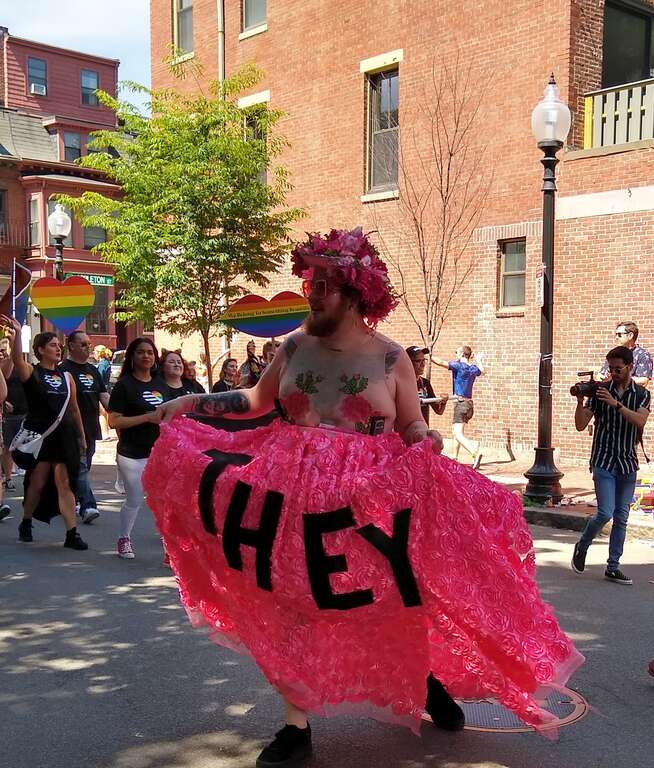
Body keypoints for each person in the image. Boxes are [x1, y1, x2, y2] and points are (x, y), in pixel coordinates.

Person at [151, 228, 582, 765]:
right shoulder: (293, 347)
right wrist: (191, 403)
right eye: (311, 283)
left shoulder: (390, 358)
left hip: (372, 502)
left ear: (356, 293)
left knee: (397, 595)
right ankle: (295, 726)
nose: (312, 295)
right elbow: (255, 400)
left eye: (324, 286)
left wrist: (425, 440)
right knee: (293, 605)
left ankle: (424, 681)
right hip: (294, 498)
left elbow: (411, 425)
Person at [0, 316, 88, 550]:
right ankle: (26, 522)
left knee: (64, 483)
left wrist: (82, 437)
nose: (58, 349)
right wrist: (17, 335)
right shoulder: (32, 372)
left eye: (59, 346)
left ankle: (72, 533)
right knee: (37, 483)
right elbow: (17, 359)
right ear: (40, 350)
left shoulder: (67, 377)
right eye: (52, 345)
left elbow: (74, 409)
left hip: (65, 437)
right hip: (41, 437)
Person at [572, 345, 650, 585]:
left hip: (627, 462)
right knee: (605, 512)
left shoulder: (641, 394)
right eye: (611, 369)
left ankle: (613, 567)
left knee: (622, 517)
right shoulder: (600, 392)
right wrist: (580, 402)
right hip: (603, 460)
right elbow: (580, 425)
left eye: (618, 369)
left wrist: (615, 404)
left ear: (630, 367)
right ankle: (582, 545)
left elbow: (640, 420)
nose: (613, 373)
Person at [107, 337, 167, 559]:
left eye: (150, 352)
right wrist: (146, 418)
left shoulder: (161, 383)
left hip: (159, 452)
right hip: (132, 453)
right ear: (132, 356)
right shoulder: (124, 385)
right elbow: (114, 421)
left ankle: (169, 546)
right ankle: (124, 538)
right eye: (141, 352)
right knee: (134, 498)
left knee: (163, 499)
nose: (146, 356)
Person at [60, 331, 110, 524]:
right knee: (80, 466)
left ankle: (71, 498)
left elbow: (103, 395)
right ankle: (88, 505)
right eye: (83, 344)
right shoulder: (63, 369)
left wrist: (118, 413)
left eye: (89, 344)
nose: (87, 347)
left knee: (83, 466)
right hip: (70, 427)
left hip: (91, 426)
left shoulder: (93, 370)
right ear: (71, 345)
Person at [431, 345, 484, 468]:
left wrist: (429, 356)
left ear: (462, 354)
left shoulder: (459, 365)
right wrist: (479, 360)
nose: (456, 355)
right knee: (457, 432)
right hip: (469, 404)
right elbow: (482, 371)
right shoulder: (473, 368)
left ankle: (475, 452)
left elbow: (441, 362)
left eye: (457, 353)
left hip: (461, 403)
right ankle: (455, 458)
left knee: (457, 433)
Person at [599, 321, 652, 388]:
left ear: (630, 335)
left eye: (619, 335)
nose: (616, 337)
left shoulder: (642, 355)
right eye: (616, 335)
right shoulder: (614, 354)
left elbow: (643, 381)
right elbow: (600, 375)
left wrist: (617, 378)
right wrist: (604, 378)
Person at [405, 346, 448, 425]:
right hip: (405, 429)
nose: (423, 364)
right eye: (418, 361)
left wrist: (443, 402)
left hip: (423, 429)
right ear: (408, 362)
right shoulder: (400, 382)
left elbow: (438, 411)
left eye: (424, 360)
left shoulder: (425, 383)